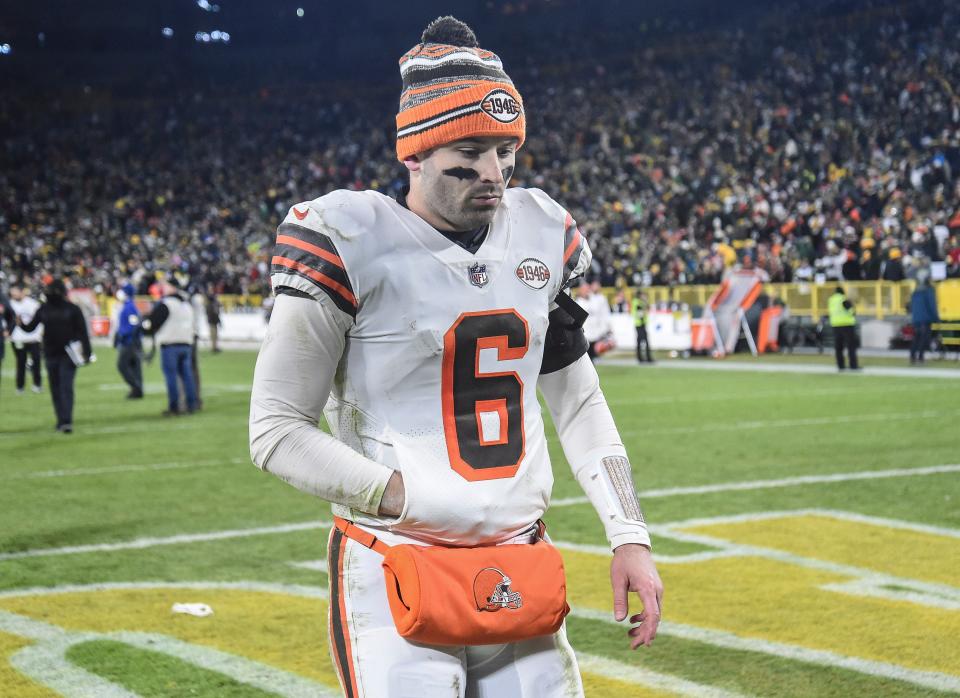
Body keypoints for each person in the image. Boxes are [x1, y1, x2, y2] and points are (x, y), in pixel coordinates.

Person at [250, 17, 661, 697]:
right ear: (413, 155)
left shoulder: (542, 231)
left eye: (507, 151)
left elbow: (579, 400)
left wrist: (631, 536)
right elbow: (275, 430)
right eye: (469, 152)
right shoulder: (347, 237)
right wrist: (406, 495)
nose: (494, 174)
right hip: (395, 560)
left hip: (518, 561)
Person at [18, 279, 92, 433]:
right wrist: (20, 324)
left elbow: (82, 331)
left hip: (66, 355)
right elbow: (31, 327)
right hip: (55, 354)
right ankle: (62, 420)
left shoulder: (62, 309)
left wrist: (87, 351)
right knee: (58, 388)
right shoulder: (59, 309)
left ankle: (65, 420)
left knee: (63, 388)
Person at [142, 277, 199, 415]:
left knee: (171, 377)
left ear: (172, 287)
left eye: (165, 286)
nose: (163, 288)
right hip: (186, 344)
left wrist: (145, 325)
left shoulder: (166, 304)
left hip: (170, 345)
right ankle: (192, 404)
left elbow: (152, 323)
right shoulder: (186, 305)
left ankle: (174, 407)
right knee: (187, 376)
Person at [8, 283, 44, 394]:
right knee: (20, 362)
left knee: (37, 362)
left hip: (33, 338)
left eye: (15, 291)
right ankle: (20, 387)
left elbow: (40, 320)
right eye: (12, 291)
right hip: (18, 339)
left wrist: (40, 334)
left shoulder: (32, 304)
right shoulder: (9, 304)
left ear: (22, 291)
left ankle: (37, 385)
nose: (13, 294)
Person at [113, 283, 144, 398]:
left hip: (130, 341)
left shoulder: (129, 307)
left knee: (122, 365)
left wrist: (123, 335)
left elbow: (133, 324)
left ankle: (136, 387)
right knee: (134, 367)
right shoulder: (128, 305)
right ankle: (137, 390)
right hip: (131, 340)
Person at [909, 275, 939, 364]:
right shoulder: (929, 291)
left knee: (916, 338)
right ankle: (920, 357)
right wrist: (936, 318)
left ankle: (912, 356)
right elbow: (932, 306)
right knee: (924, 339)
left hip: (916, 319)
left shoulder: (915, 292)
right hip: (925, 319)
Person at [828, 285, 859, 371]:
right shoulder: (843, 299)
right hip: (847, 324)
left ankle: (840, 366)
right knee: (851, 346)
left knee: (838, 347)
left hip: (835, 325)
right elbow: (851, 311)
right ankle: (853, 365)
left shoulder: (831, 300)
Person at [632, 290, 654, 363]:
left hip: (640, 324)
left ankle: (640, 358)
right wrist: (645, 309)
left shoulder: (639, 302)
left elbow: (648, 307)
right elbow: (640, 313)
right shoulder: (637, 302)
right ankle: (646, 358)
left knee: (640, 341)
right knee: (645, 341)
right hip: (640, 324)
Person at [205, 287, 222, 353]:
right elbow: (215, 314)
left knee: (214, 336)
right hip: (212, 322)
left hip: (212, 322)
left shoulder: (209, 305)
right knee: (214, 336)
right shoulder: (211, 306)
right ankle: (214, 347)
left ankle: (214, 347)